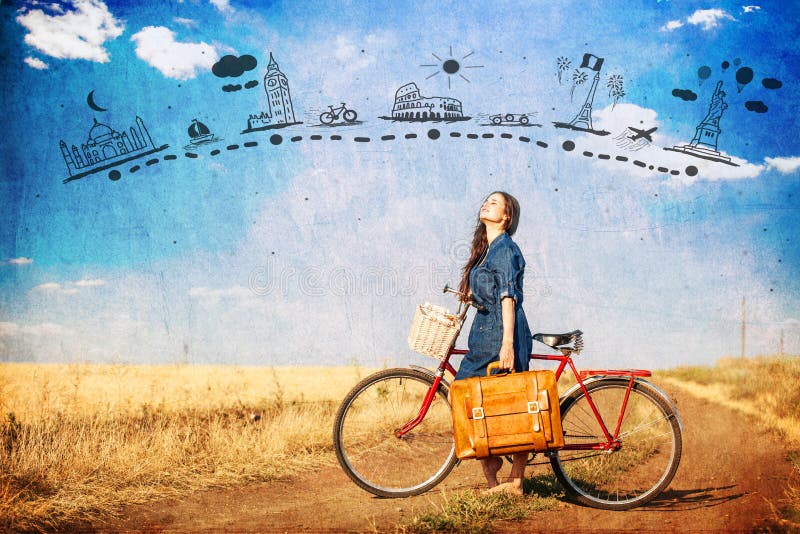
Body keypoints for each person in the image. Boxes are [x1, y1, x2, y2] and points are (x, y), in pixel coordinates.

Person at [455, 191, 533, 495]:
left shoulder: (504, 249)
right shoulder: (487, 250)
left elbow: (508, 297)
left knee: (513, 404)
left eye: (495, 203)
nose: (487, 204)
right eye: (486, 200)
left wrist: (508, 344)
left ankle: (514, 482)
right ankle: (495, 475)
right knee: (475, 401)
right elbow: (490, 292)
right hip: (485, 331)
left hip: (502, 331)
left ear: (506, 217)